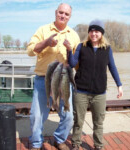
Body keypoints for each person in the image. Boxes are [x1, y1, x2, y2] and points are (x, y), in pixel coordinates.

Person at [27, 3, 80, 150]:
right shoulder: (43, 30)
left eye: (66, 14)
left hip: (64, 81)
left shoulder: (74, 35)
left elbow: (76, 62)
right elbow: (30, 51)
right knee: (37, 116)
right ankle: (36, 144)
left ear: (70, 17)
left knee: (69, 116)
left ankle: (59, 139)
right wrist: (45, 43)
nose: (63, 16)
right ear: (56, 12)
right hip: (42, 80)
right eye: (60, 12)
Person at [67, 19, 123, 150]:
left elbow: (112, 67)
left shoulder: (107, 49)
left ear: (101, 33)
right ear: (88, 33)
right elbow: (72, 63)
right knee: (78, 121)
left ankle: (98, 145)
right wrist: (69, 50)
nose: (94, 33)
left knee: (98, 122)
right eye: (91, 31)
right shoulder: (82, 46)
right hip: (81, 91)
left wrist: (119, 84)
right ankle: (76, 143)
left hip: (99, 93)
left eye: (97, 31)